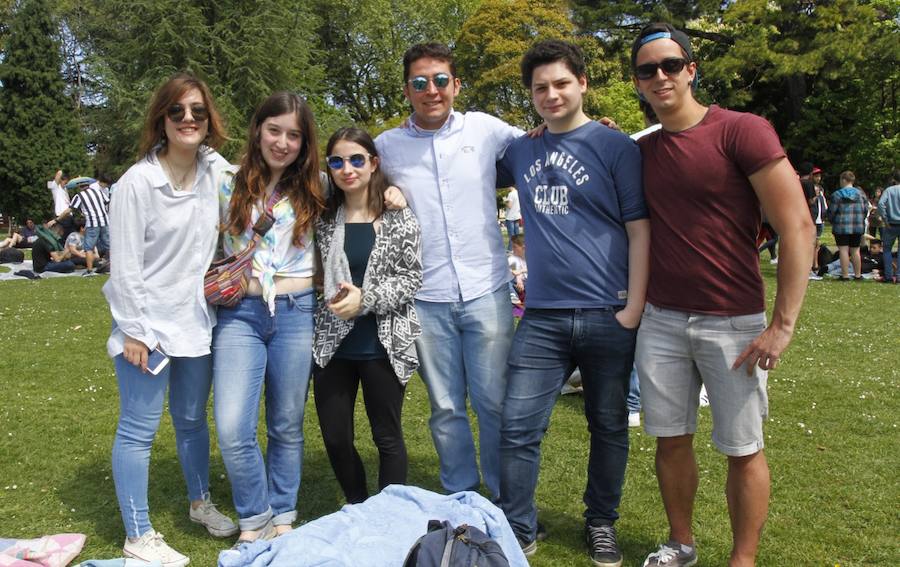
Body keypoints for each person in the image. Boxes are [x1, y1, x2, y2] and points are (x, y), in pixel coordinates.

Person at [630, 23, 813, 567]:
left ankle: (743, 559)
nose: (659, 76)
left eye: (670, 65)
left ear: (691, 69)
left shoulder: (742, 130)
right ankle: (681, 544)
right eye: (647, 69)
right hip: (661, 320)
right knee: (669, 439)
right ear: (638, 81)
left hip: (733, 321)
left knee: (742, 447)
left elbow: (798, 226)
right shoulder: (641, 150)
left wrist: (781, 325)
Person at [496, 39, 649, 566]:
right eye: (540, 88)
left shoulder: (617, 147)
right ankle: (517, 525)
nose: (551, 94)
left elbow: (639, 228)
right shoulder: (520, 150)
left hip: (609, 311)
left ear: (582, 83)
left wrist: (634, 307)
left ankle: (601, 521)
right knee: (518, 425)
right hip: (541, 316)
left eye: (561, 83)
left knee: (607, 425)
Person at [374, 42, 523, 500]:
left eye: (440, 80)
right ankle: (461, 494)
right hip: (426, 295)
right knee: (444, 406)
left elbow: (545, 143)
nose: (431, 90)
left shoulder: (486, 129)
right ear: (407, 91)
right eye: (420, 83)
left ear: (456, 85)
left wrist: (592, 134)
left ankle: (501, 499)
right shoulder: (386, 147)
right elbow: (347, 178)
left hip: (486, 290)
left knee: (494, 403)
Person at [102, 72, 237, 567]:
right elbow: (126, 266)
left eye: (198, 112)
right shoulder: (137, 183)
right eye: (178, 111)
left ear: (208, 120)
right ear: (162, 117)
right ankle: (138, 535)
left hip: (196, 324)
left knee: (189, 420)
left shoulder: (214, 170)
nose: (188, 119)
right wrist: (134, 330)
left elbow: (263, 183)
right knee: (138, 429)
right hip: (147, 329)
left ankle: (200, 503)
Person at [212, 92, 324, 545]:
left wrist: (391, 190)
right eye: (274, 130)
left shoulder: (318, 185)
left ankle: (283, 514)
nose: (282, 142)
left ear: (304, 142)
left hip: (298, 313)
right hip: (240, 312)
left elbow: (366, 181)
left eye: (293, 135)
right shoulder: (224, 181)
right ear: (258, 129)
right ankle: (254, 515)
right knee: (233, 424)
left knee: (285, 423)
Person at [312, 126, 422, 505]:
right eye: (338, 161)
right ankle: (358, 505)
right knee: (336, 436)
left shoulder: (398, 217)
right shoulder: (323, 219)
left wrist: (367, 299)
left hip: (383, 344)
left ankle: (389, 512)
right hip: (332, 346)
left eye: (357, 159)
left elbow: (411, 278)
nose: (348, 169)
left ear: (373, 163)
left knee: (387, 435)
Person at [49, 175, 110, 276]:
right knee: (109, 245)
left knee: (89, 248)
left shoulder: (79, 196)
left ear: (79, 186)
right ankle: (113, 267)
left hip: (92, 223)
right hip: (105, 221)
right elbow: (106, 201)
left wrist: (56, 220)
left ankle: (89, 271)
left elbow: (69, 210)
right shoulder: (98, 192)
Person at [829, 171, 869, 281]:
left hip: (841, 227)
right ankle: (857, 275)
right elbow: (866, 210)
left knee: (843, 250)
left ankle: (845, 275)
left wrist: (833, 221)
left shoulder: (836, 195)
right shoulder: (861, 194)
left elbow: (832, 212)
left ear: (843, 180)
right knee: (856, 251)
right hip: (857, 226)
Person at [798, 162, 824, 280]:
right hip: (809, 216)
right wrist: (816, 196)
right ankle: (808, 271)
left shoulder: (796, 182)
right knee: (810, 244)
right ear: (810, 173)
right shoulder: (808, 184)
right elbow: (811, 201)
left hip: (798, 215)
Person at [877, 170, 900, 284]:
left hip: (891, 223)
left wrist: (885, 219)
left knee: (887, 250)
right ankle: (899, 276)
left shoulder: (889, 190)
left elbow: (881, 204)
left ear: (894, 180)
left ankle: (888, 276)